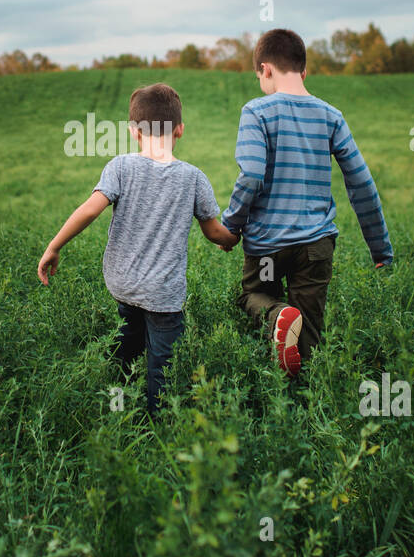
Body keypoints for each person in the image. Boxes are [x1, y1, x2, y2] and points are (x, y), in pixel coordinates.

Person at [37, 83, 237, 413]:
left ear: (134, 132)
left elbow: (89, 209)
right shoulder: (194, 177)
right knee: (163, 363)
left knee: (128, 333)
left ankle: (118, 393)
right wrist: (231, 239)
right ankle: (159, 422)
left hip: (123, 284)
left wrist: (54, 247)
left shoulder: (120, 167)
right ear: (180, 131)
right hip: (163, 294)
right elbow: (214, 231)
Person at [222, 29, 393, 375]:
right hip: (316, 247)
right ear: (304, 71)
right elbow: (360, 182)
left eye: (259, 76)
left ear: (265, 69)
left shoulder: (257, 112)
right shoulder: (331, 116)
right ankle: (307, 403)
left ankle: (276, 316)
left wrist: (232, 224)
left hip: (268, 247)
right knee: (310, 340)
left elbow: (252, 175)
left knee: (254, 296)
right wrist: (380, 250)